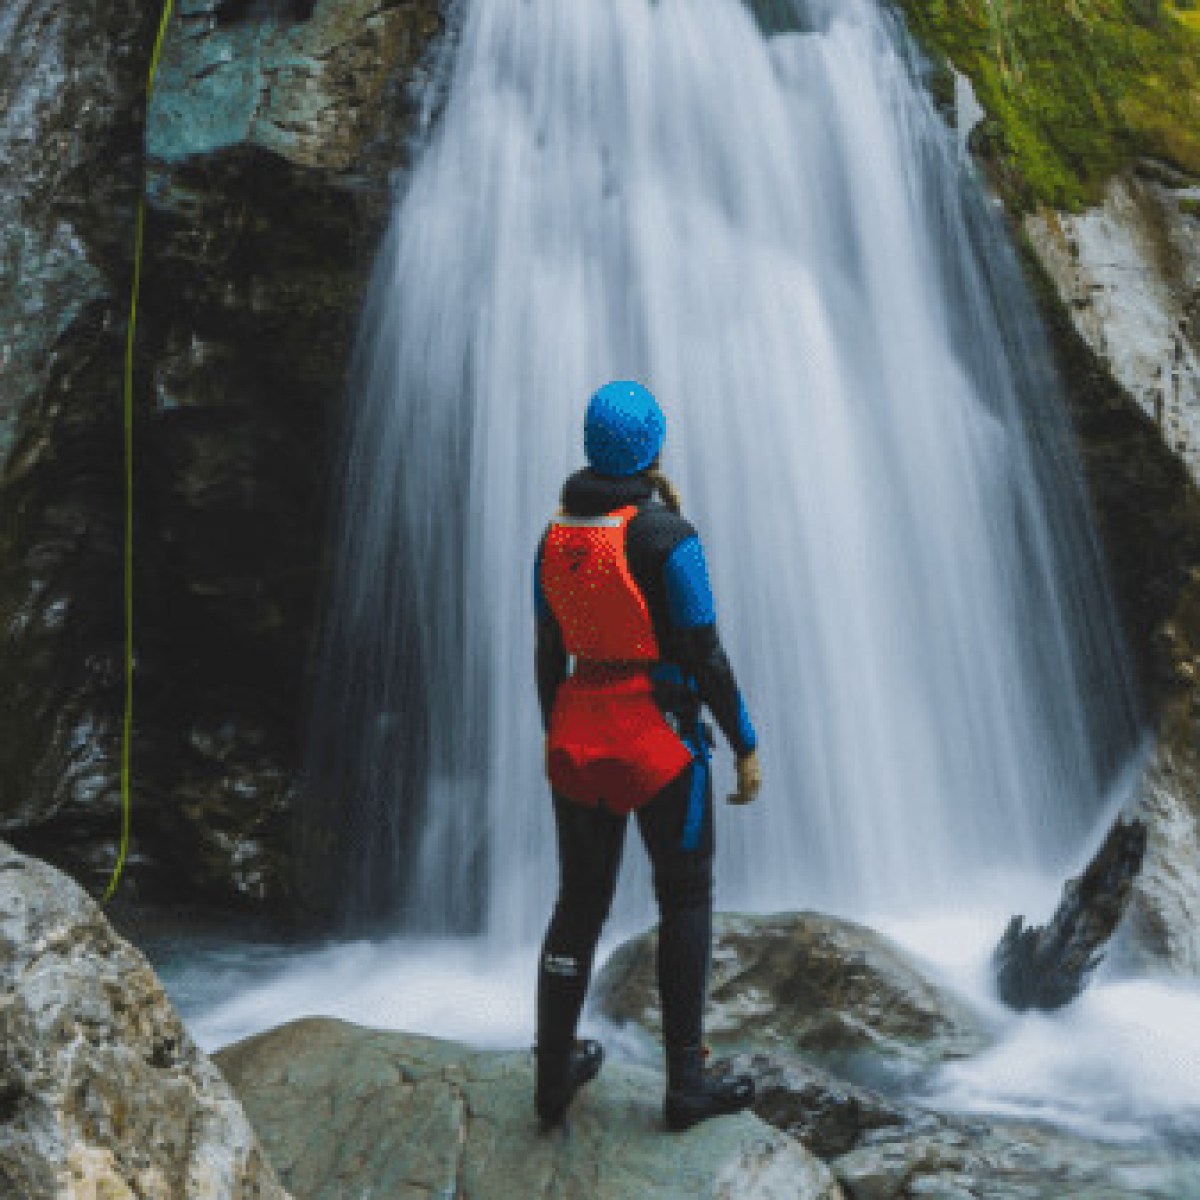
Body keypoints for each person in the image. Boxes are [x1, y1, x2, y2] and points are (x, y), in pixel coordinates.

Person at [532, 379, 763, 1132]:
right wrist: (744, 744)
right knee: (685, 896)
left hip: (576, 734)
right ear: (652, 447)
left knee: (579, 902)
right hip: (656, 739)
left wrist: (556, 736)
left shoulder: (555, 535)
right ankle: (685, 1086)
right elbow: (706, 654)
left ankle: (553, 1072)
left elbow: (547, 653)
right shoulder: (669, 537)